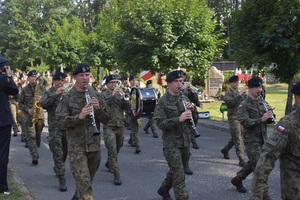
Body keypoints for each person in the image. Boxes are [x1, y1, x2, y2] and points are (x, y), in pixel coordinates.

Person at [55, 63, 109, 200]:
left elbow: (107, 119)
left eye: (87, 75)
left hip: (94, 146)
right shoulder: (67, 97)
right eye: (81, 75)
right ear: (75, 77)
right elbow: (60, 121)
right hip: (76, 148)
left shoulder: (96, 94)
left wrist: (99, 109)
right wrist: (78, 117)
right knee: (85, 187)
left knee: (85, 184)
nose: (85, 78)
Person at [250, 81, 300, 200]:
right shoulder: (288, 125)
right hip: (295, 191)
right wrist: (257, 195)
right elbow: (266, 159)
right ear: (299, 99)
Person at [153, 70, 197, 200]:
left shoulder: (184, 98)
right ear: (169, 84)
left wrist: (193, 111)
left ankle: (164, 189)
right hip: (171, 144)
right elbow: (160, 123)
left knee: (176, 170)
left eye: (181, 81)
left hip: (185, 141)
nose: (179, 84)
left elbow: (194, 121)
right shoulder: (162, 101)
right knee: (179, 175)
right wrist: (178, 119)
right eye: (176, 82)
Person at [230, 77, 273, 199]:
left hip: (263, 139)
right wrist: (261, 119)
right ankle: (265, 196)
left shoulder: (261, 101)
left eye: (260, 87)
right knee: (260, 170)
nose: (259, 90)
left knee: (254, 162)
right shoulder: (244, 104)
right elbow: (244, 121)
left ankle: (237, 179)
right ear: (250, 88)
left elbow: (267, 119)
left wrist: (270, 115)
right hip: (251, 141)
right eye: (256, 87)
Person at [100, 75, 131, 185]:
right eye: (111, 82)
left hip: (120, 125)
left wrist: (125, 98)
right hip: (109, 125)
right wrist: (112, 96)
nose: (113, 84)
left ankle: (110, 162)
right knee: (112, 149)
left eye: (115, 82)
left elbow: (127, 108)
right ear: (107, 84)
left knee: (119, 146)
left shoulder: (120, 93)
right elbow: (103, 107)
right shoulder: (103, 95)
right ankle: (116, 174)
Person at [40, 72, 68, 191]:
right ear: (54, 81)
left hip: (67, 127)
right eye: (58, 81)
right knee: (58, 153)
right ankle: (62, 178)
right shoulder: (49, 92)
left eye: (62, 81)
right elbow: (43, 103)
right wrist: (55, 95)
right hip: (55, 128)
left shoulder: (68, 92)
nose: (61, 83)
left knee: (65, 152)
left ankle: (58, 167)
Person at [0, 54, 18, 195]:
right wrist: (9, 75)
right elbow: (14, 90)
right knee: (3, 154)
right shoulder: (3, 79)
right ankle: (3, 186)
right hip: (3, 121)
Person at [19, 70, 45, 165]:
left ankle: (36, 147)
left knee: (38, 135)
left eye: (35, 77)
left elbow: (48, 101)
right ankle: (34, 154)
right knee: (31, 136)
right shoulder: (24, 89)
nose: (33, 78)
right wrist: (27, 109)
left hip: (40, 115)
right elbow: (20, 103)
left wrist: (42, 99)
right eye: (31, 77)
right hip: (29, 115)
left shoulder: (41, 88)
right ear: (28, 78)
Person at [220, 75, 246, 167]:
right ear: (231, 83)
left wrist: (245, 95)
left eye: (237, 82)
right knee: (238, 138)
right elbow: (230, 103)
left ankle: (226, 149)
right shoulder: (228, 93)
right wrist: (239, 95)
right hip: (233, 117)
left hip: (241, 117)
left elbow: (245, 103)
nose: (236, 84)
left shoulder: (240, 92)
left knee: (237, 136)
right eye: (235, 82)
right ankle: (241, 158)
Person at [127, 75, 141, 154]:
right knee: (134, 128)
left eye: (135, 80)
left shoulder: (138, 90)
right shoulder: (128, 90)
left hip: (138, 111)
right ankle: (137, 145)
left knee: (136, 128)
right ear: (130, 81)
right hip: (131, 112)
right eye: (132, 80)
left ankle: (131, 139)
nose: (134, 81)